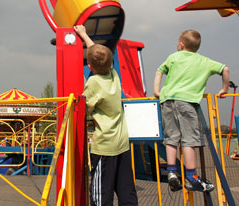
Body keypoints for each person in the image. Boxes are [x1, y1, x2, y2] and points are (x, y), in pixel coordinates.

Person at [153, 29, 230, 193]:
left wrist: (156, 91)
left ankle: (172, 172)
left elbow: (159, 71)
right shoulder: (205, 61)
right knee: (189, 139)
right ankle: (191, 176)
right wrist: (224, 89)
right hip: (187, 102)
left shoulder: (173, 57)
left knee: (171, 138)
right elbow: (225, 69)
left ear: (181, 44)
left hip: (167, 100)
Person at [74, 25, 138, 206]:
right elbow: (99, 56)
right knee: (126, 190)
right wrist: (84, 35)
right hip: (122, 143)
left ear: (89, 65)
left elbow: (85, 108)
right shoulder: (114, 75)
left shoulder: (93, 82)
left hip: (105, 146)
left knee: (101, 192)